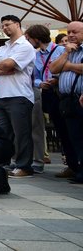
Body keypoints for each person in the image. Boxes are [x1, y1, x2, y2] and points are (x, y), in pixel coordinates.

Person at [0, 14, 36, 178]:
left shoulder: (25, 46)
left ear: (17, 24)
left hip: (19, 95)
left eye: (8, 24)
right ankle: (4, 163)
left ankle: (24, 166)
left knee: (22, 133)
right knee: (3, 133)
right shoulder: (3, 47)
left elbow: (5, 64)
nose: (5, 28)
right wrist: (5, 69)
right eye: (3, 25)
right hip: (0, 95)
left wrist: (4, 67)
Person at [24, 25, 64, 174]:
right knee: (59, 127)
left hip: (62, 91)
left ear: (36, 38)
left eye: (29, 38)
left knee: (66, 127)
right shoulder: (35, 55)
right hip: (47, 93)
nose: (28, 41)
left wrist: (57, 79)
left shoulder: (60, 50)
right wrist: (40, 83)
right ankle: (71, 164)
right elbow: (34, 76)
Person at [49, 21, 83, 184]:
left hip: (80, 97)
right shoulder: (65, 51)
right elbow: (53, 69)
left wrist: (67, 66)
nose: (70, 35)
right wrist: (65, 55)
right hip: (66, 99)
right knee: (73, 136)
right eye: (68, 32)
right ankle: (78, 169)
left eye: (75, 32)